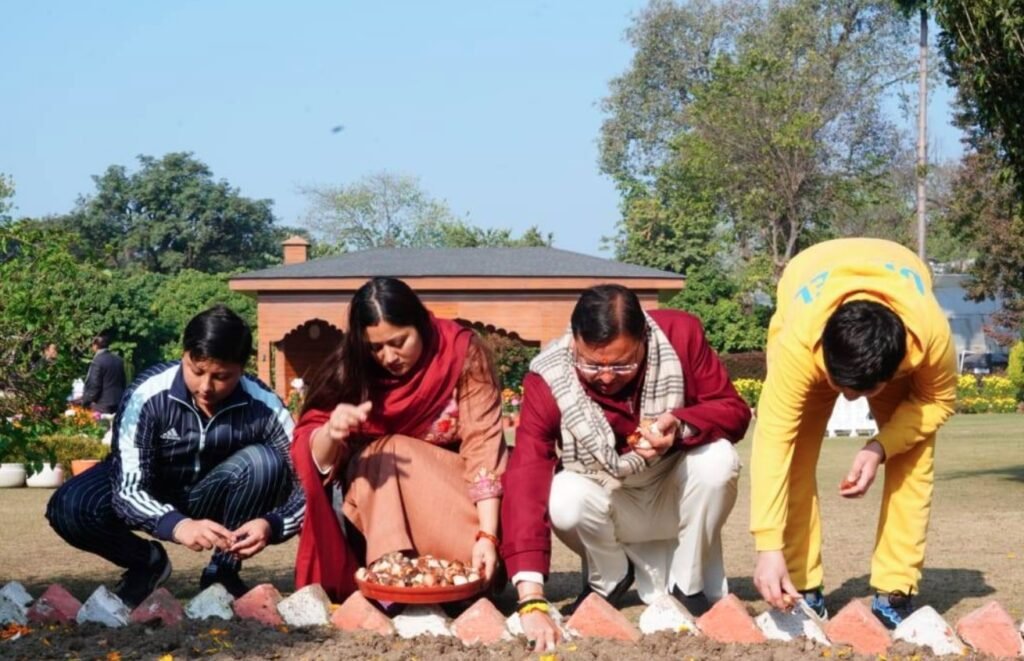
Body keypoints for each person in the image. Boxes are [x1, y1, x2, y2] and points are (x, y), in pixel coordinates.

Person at [501, 284, 752, 652]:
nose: (605, 376)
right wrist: (531, 597)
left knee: (718, 459)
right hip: (607, 498)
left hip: (673, 490)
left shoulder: (680, 337)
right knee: (561, 493)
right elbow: (526, 474)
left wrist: (680, 425)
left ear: (644, 340)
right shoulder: (548, 376)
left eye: (622, 364)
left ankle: (689, 585)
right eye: (591, 364)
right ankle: (610, 577)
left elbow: (733, 411)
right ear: (574, 342)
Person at [750, 238, 957, 629]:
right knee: (793, 455)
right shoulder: (800, 342)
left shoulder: (930, 337)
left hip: (901, 272)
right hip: (807, 275)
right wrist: (768, 546)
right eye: (840, 384)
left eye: (863, 391)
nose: (848, 399)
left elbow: (939, 402)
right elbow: (773, 441)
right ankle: (801, 585)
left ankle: (895, 591)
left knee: (912, 459)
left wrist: (881, 446)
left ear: (899, 365)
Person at [46, 306, 305, 607]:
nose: (206, 387)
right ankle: (147, 563)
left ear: (242, 368)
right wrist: (177, 525)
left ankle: (223, 570)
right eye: (197, 371)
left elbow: (308, 484)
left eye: (222, 376)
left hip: (216, 490)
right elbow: (129, 488)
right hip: (150, 485)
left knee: (264, 462)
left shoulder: (264, 405)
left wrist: (273, 524)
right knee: (70, 506)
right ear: (184, 355)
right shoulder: (147, 395)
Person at [291, 277, 507, 602]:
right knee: (377, 457)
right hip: (377, 507)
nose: (388, 357)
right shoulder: (352, 369)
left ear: (421, 324)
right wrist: (331, 433)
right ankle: (392, 577)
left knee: (389, 447)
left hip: (461, 510)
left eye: (399, 341)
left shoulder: (461, 355)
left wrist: (487, 536)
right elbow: (315, 458)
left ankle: (418, 579)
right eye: (375, 347)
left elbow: (484, 448)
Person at [81, 333, 126, 414]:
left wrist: (86, 401)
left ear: (95, 346)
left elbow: (94, 384)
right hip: (118, 401)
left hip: (102, 404)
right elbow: (123, 382)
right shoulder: (119, 360)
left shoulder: (98, 361)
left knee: (102, 425)